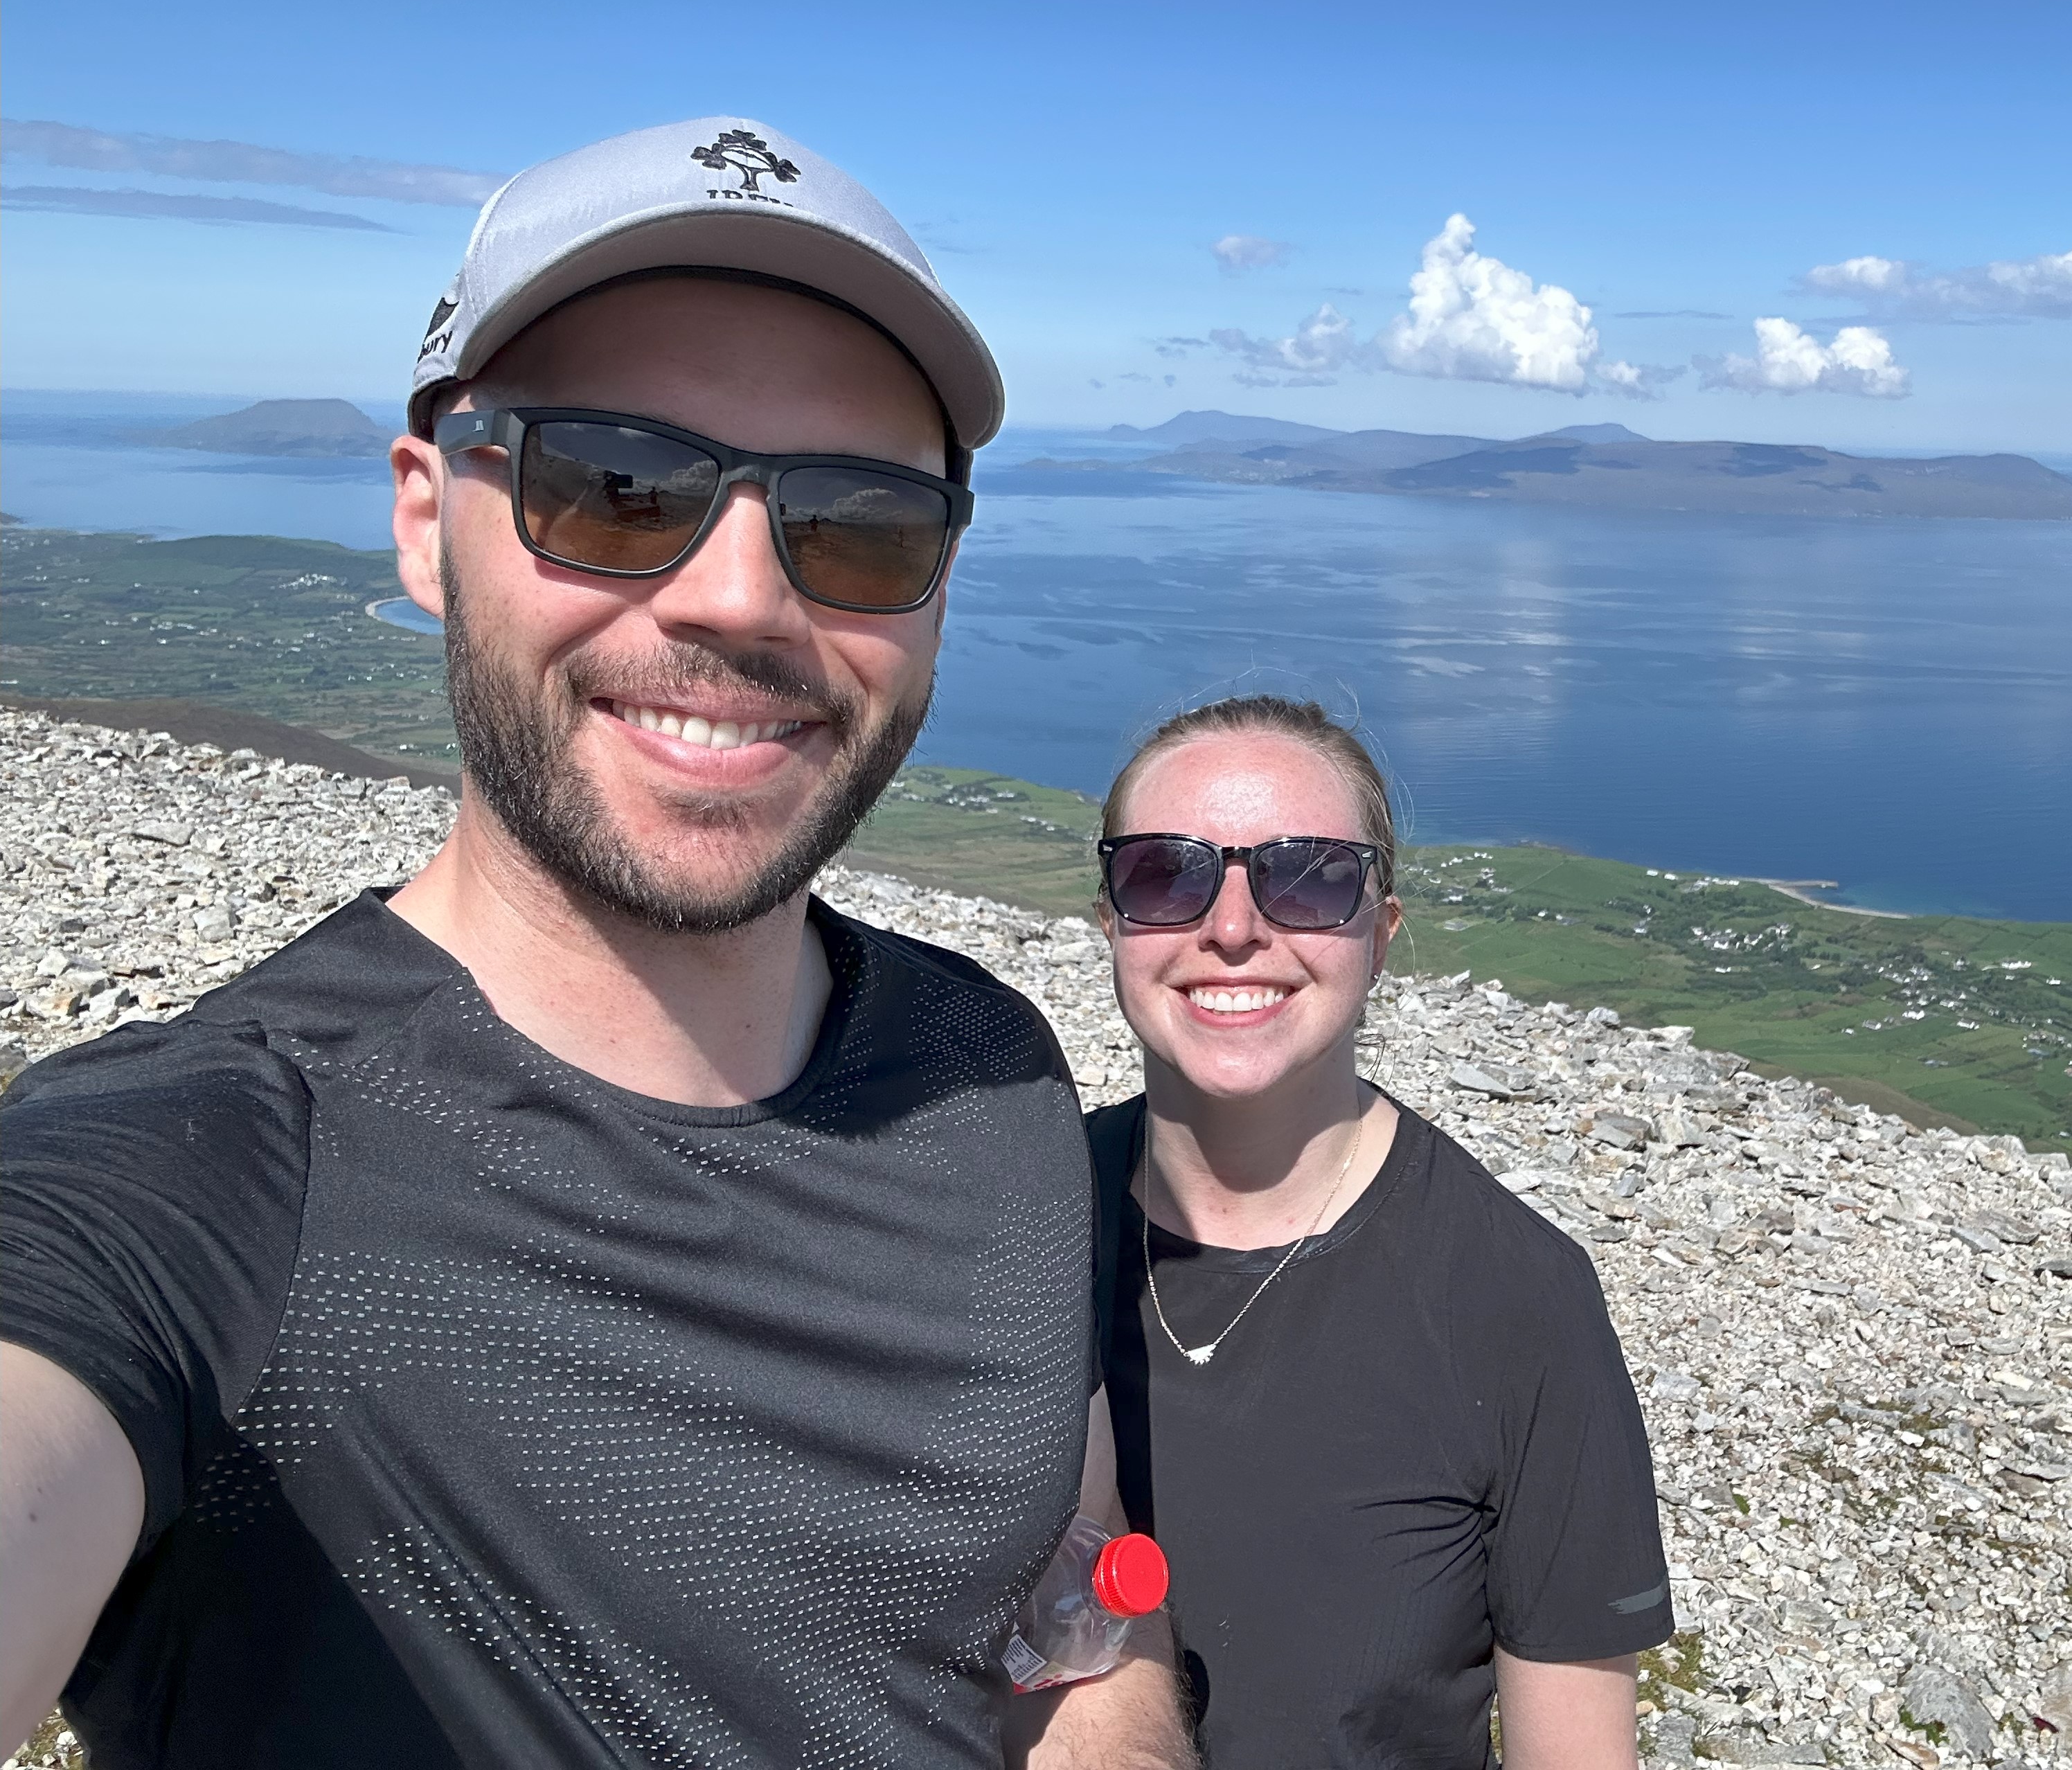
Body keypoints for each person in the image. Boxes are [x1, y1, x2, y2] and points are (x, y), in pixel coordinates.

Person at [0, 117, 1191, 1770]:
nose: (739, 600)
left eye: (859, 524)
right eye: (615, 486)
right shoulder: (213, 1170)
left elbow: (1080, 1613)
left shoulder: (987, 1070)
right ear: (426, 522)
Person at [1082, 697, 1674, 1770]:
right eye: (1165, 873)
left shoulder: (1519, 1299)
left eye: (1307, 877)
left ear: (1381, 934)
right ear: (1111, 921)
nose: (1232, 928)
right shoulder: (1002, 1223)